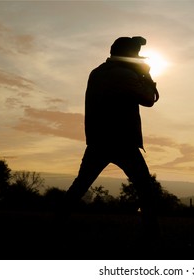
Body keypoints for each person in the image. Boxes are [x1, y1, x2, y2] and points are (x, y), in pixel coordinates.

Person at [61, 36, 160, 236]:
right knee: (145, 188)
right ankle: (151, 231)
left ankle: (58, 220)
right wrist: (147, 76)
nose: (139, 56)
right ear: (129, 55)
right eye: (136, 53)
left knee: (81, 184)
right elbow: (149, 99)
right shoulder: (124, 74)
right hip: (122, 140)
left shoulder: (97, 72)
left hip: (98, 139)